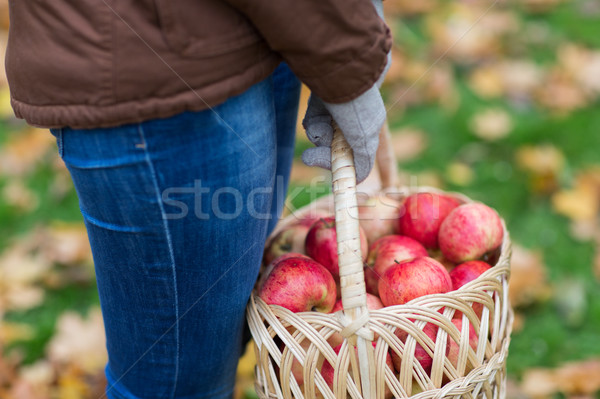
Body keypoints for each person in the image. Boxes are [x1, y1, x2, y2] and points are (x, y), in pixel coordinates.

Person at [5, 1, 391, 398]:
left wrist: (341, 35)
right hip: (156, 64)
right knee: (177, 385)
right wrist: (349, 57)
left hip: (259, 29)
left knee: (214, 343)